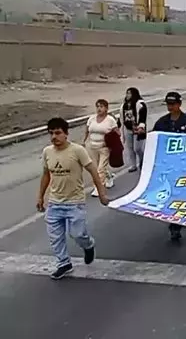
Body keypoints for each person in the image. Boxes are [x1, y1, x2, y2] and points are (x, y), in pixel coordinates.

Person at [38, 117, 108, 280]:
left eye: (57, 133)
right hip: (55, 203)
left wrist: (102, 193)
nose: (54, 137)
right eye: (51, 133)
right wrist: (40, 197)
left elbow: (93, 171)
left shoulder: (77, 151)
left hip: (74, 203)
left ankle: (88, 245)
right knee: (55, 237)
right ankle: (63, 263)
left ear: (66, 134)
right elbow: (46, 175)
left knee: (77, 235)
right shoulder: (47, 152)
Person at [153, 92, 186, 241]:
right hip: (167, 165)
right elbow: (155, 141)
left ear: (179, 104)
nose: (170, 107)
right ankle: (174, 223)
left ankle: (178, 221)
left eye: (173, 104)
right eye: (168, 104)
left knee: (182, 194)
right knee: (170, 194)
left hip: (183, 165)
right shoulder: (162, 122)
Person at [83, 99, 119, 196]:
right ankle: (109, 176)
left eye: (101, 106)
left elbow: (117, 133)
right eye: (98, 106)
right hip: (92, 147)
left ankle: (99, 188)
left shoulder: (110, 120)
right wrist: (84, 141)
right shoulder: (91, 118)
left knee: (100, 168)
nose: (99, 109)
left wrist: (112, 143)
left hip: (104, 148)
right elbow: (87, 131)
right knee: (95, 168)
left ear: (106, 108)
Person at [120, 87, 147, 173]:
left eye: (129, 93)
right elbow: (122, 117)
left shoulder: (140, 104)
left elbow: (143, 116)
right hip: (127, 129)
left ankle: (143, 161)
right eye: (127, 93)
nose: (127, 95)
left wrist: (141, 126)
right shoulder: (124, 105)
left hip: (138, 129)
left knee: (137, 148)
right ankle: (133, 165)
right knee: (130, 148)